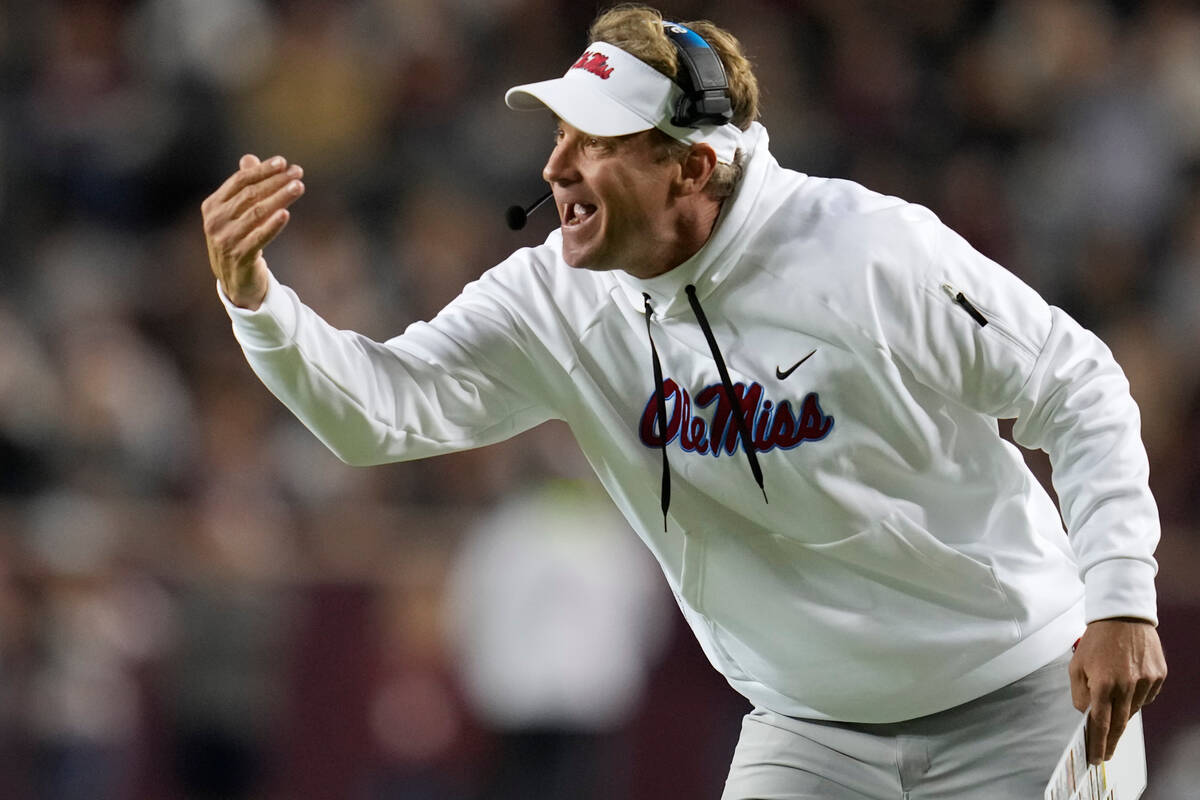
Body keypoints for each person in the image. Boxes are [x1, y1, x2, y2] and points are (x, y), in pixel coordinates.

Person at [200, 5, 1167, 798]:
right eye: (558, 134)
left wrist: (1122, 598)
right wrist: (259, 303)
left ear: (692, 166)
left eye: (596, 142)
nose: (556, 166)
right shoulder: (552, 297)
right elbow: (382, 413)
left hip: (1018, 694)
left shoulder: (869, 251)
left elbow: (1074, 382)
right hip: (809, 731)